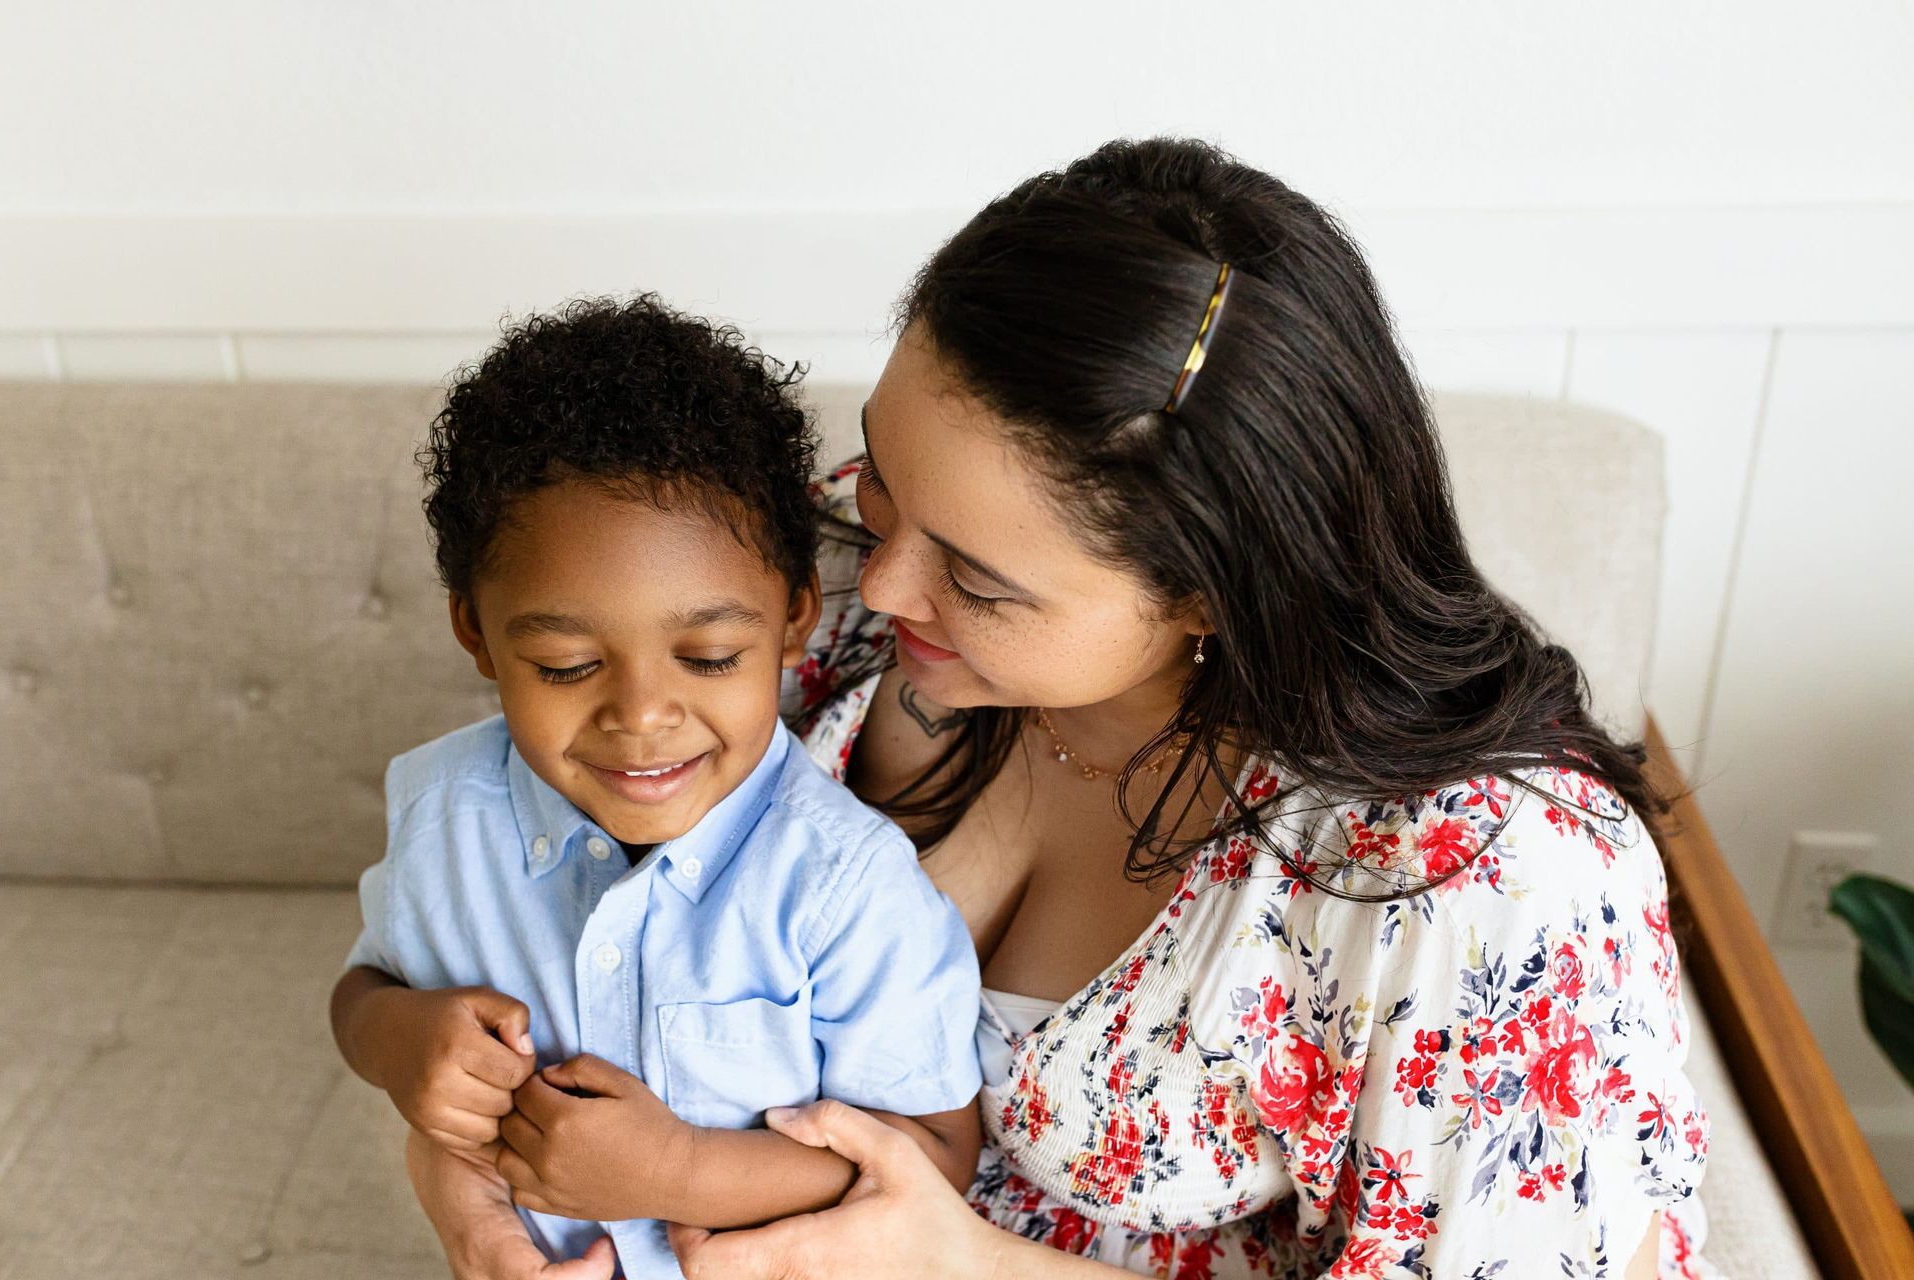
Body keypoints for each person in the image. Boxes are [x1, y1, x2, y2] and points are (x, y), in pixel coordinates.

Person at [408, 140, 1715, 1279]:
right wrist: (470, 1188)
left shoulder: (1484, 891)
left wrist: (961, 1265)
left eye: (979, 578)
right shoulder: (828, 614)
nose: (879, 579)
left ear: (1208, 593)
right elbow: (548, 926)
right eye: (882, 483)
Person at [327, 297, 983, 1279]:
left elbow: (932, 1153)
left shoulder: (845, 885)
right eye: (563, 664)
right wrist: (392, 1038)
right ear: (475, 630)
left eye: (710, 655)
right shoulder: (442, 816)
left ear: (796, 611)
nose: (640, 715)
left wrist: (678, 1167)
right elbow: (362, 986)